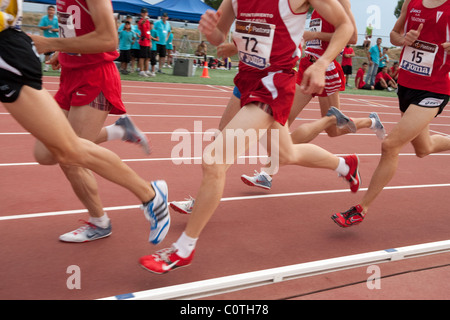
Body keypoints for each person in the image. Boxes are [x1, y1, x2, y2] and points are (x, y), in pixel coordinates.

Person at [139, 0, 355, 274]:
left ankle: (183, 249)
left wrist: (323, 63)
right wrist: (213, 34)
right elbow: (221, 35)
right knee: (285, 154)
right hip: (247, 80)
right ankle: (345, 165)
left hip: (274, 85)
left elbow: (346, 26)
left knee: (215, 159)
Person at [0, 0, 170, 245]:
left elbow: (109, 40)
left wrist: (51, 44)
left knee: (71, 157)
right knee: (46, 153)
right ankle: (118, 130)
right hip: (70, 75)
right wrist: (64, 52)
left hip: (95, 75)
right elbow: (75, 26)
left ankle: (103, 220)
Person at [332, 0, 450, 228]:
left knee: (390, 146)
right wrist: (402, 39)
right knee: (423, 149)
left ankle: (361, 208)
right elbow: (395, 33)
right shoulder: (412, 1)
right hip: (406, 85)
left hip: (434, 88)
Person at [38, 5, 59, 72]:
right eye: (50, 10)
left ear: (54, 11)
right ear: (47, 10)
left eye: (52, 10)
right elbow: (40, 27)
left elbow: (59, 29)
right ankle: (46, 66)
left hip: (55, 38)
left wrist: (53, 30)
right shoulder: (44, 18)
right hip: (47, 39)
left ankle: (59, 67)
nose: (51, 11)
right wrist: (47, 27)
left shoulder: (57, 19)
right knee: (47, 53)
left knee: (57, 53)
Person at [138, 8, 151, 77]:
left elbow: (149, 31)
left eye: (146, 12)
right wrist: (144, 19)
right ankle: (141, 71)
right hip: (143, 41)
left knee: (148, 57)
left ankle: (146, 70)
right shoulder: (140, 21)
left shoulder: (148, 21)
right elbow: (142, 23)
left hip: (148, 40)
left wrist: (150, 41)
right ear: (141, 13)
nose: (145, 13)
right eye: (144, 13)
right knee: (142, 57)